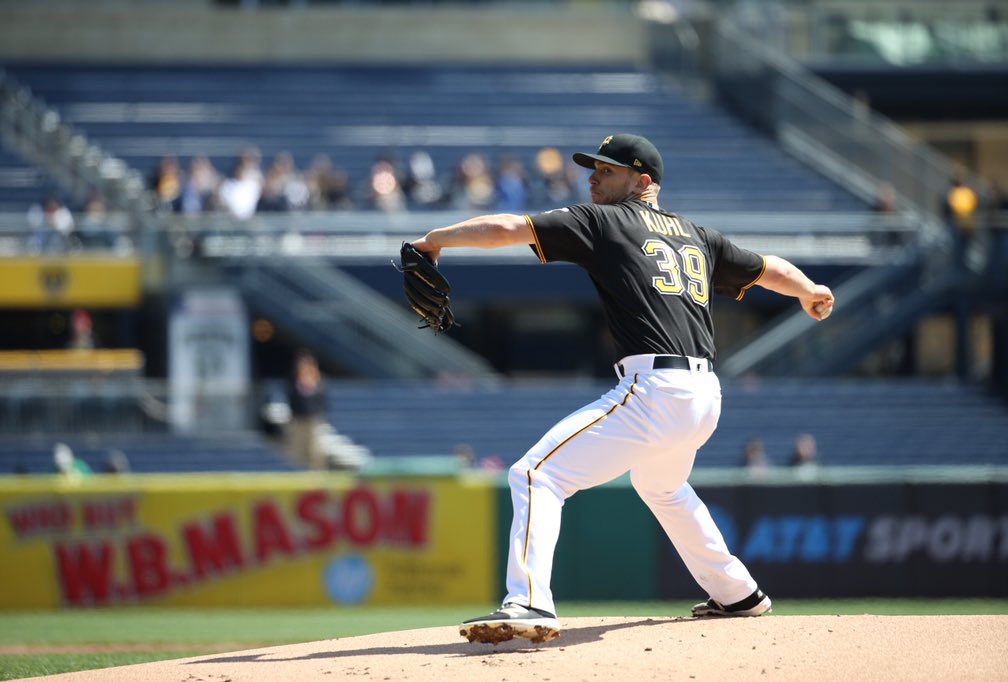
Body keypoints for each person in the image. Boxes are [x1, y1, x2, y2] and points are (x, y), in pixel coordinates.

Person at [408, 133, 835, 644]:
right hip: (703, 396)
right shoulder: (698, 235)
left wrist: (434, 239)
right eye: (594, 168)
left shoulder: (604, 221)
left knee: (534, 475)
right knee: (662, 486)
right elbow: (768, 269)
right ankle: (738, 592)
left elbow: (507, 228)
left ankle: (529, 602)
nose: (593, 176)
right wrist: (809, 290)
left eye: (606, 171)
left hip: (656, 389)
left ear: (643, 181)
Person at [286, 349, 328, 470]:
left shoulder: (320, 382)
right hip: (298, 420)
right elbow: (292, 400)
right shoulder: (293, 381)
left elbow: (321, 403)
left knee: (316, 452)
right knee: (295, 452)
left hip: (314, 421)